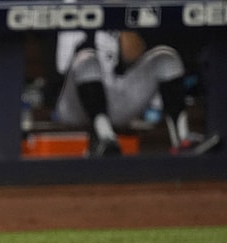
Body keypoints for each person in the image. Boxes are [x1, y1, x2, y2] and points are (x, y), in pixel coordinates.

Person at [52, 29, 216, 157]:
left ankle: (182, 140)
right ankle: (105, 139)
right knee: (87, 60)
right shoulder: (73, 3)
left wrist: (119, 15)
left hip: (115, 99)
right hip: (74, 104)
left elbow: (133, 55)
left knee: (166, 58)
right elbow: (61, 67)